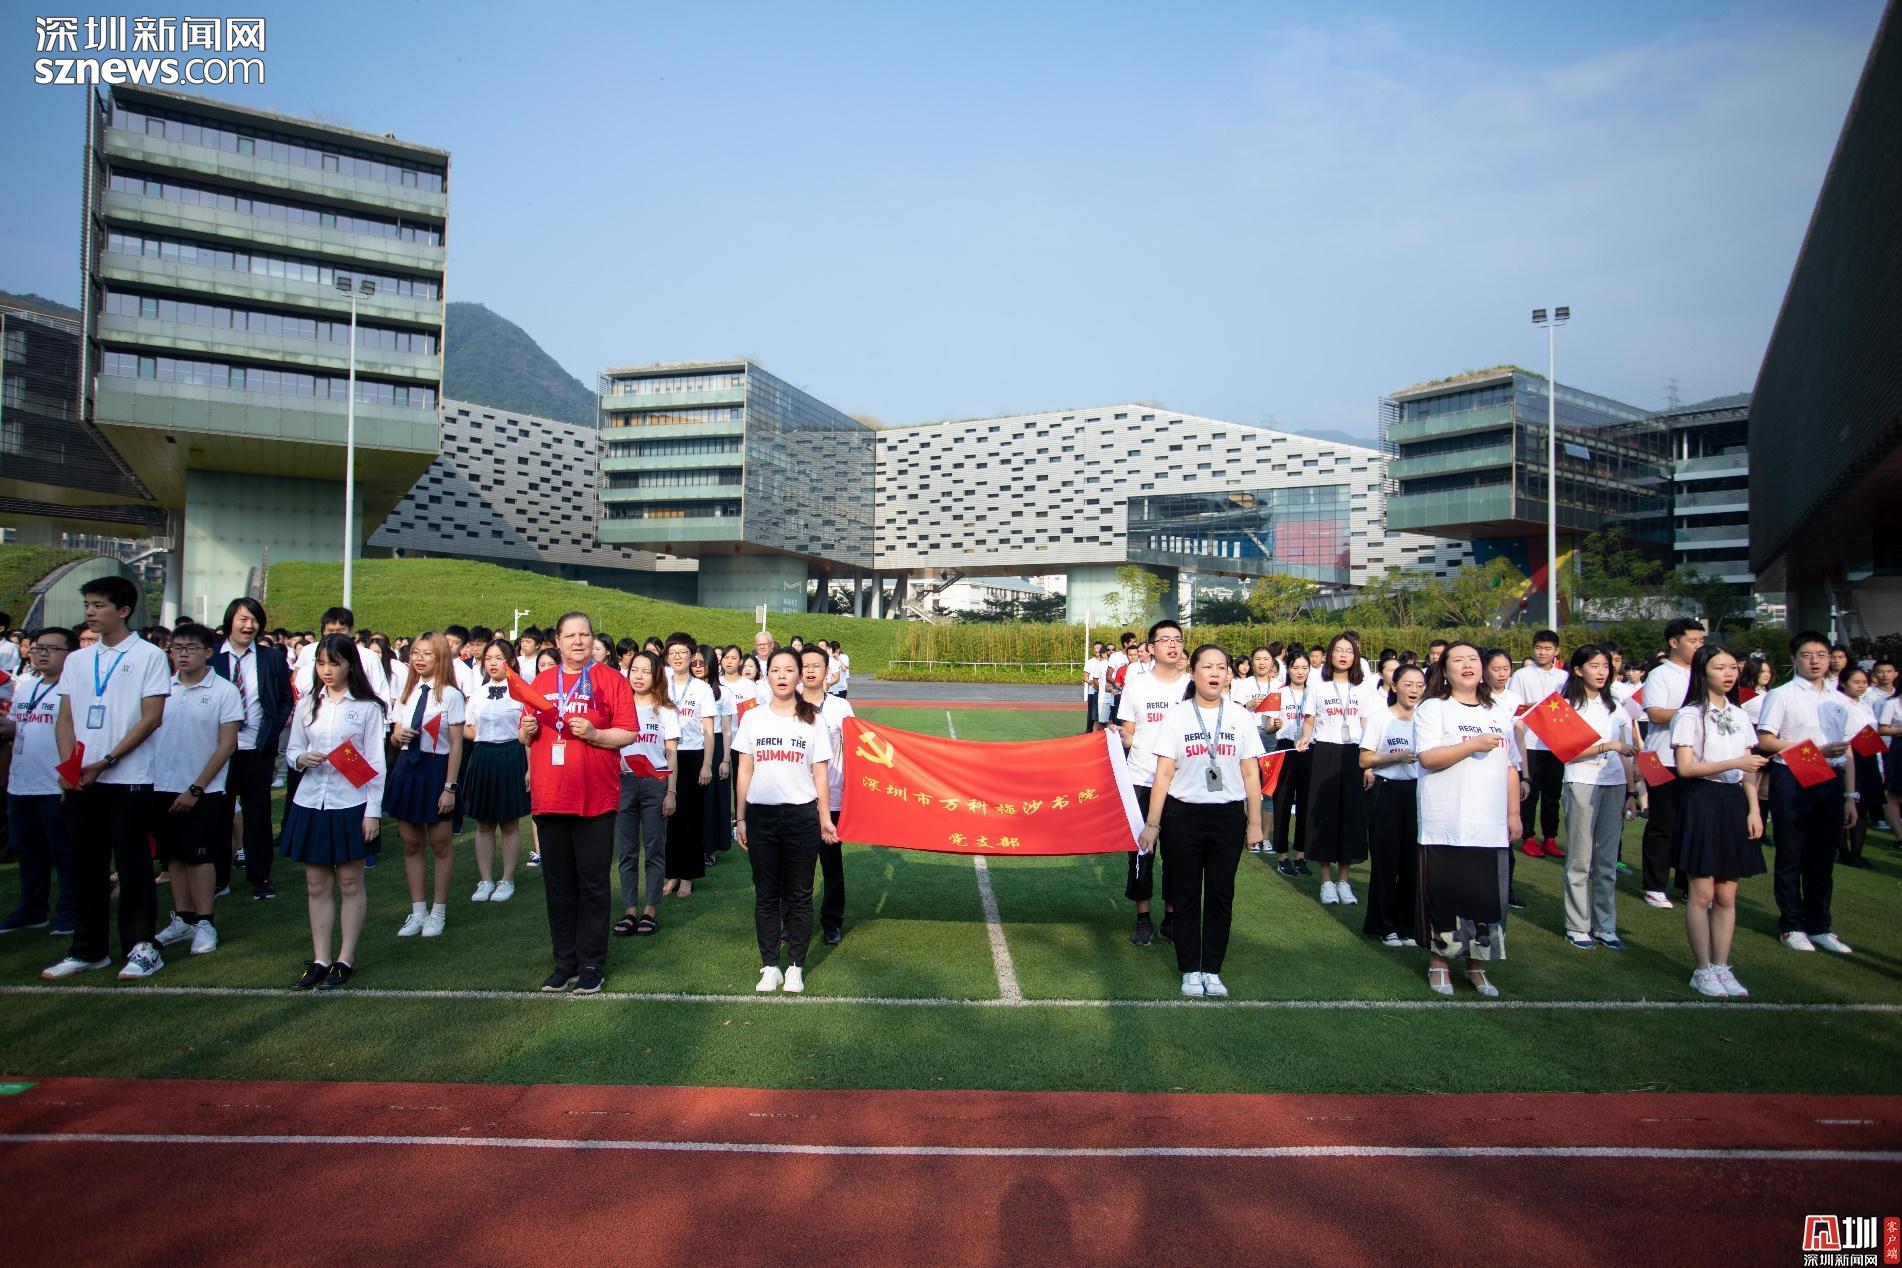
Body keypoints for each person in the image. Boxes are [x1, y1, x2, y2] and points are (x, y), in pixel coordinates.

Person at [43, 576, 172, 983]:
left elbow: (152, 717)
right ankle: (88, 949)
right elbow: (66, 718)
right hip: (83, 781)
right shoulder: (78, 661)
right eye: (88, 605)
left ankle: (141, 946)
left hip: (129, 778)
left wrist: (107, 760)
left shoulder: (149, 655)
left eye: (98, 605)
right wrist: (70, 767)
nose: (90, 612)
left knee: (133, 865)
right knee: (85, 865)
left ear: (123, 610)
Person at [519, 612, 638, 995]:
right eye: (570, 635)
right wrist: (526, 731)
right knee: (558, 886)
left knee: (593, 885)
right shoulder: (541, 681)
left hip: (595, 799)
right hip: (550, 797)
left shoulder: (611, 680)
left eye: (584, 634)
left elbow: (628, 733)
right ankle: (564, 962)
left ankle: (591, 964)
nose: (578, 641)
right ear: (556, 640)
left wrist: (596, 734)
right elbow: (524, 733)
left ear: (592, 639)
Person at [1140, 645, 1265, 998]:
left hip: (1227, 817)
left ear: (1228, 675)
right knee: (1185, 894)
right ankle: (1190, 970)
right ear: (1193, 672)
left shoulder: (1240, 716)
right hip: (1183, 816)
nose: (1214, 673)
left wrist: (1254, 823)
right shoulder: (1177, 716)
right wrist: (1153, 824)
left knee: (1221, 894)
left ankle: (1212, 968)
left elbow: (1251, 773)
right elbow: (1164, 774)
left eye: (1221, 667)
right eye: (1207, 667)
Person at [1413, 642, 1522, 998]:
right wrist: (1472, 744)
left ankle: (1477, 967)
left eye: (1472, 659)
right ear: (1444, 671)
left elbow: (1510, 766)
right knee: (1445, 894)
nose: (1466, 665)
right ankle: (1439, 963)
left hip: (1488, 823)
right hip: (1446, 821)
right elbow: (1428, 758)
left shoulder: (1498, 712)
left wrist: (1513, 813)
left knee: (1485, 897)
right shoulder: (1433, 708)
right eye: (1457, 660)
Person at [280, 633, 387, 990]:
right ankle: (320, 959)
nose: (326, 670)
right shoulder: (308, 703)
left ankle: (345, 959)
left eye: (334, 663)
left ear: (350, 665)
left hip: (350, 803)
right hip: (311, 800)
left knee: (350, 882)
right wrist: (300, 758)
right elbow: (292, 749)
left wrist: (372, 811)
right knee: (316, 884)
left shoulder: (368, 708)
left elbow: (376, 763)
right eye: (321, 663)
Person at [734, 647, 836, 993]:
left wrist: (824, 817)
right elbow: (744, 770)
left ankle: (795, 966)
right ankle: (769, 966)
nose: (782, 676)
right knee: (766, 894)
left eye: (789, 670)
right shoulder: (752, 718)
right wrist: (740, 818)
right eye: (775, 670)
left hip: (801, 816)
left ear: (798, 676)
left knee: (800, 894)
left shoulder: (813, 719)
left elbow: (820, 773)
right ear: (767, 676)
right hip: (760, 816)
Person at [1670, 644, 1768, 998]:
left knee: (1727, 893)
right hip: (1702, 800)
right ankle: (1703, 969)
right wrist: (1735, 764)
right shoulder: (1690, 715)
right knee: (1702, 893)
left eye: (1732, 668)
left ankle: (1722, 966)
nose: (1728, 674)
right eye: (1719, 668)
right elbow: (1685, 768)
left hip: (1733, 802)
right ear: (1702, 672)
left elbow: (1750, 768)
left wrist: (1753, 809)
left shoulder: (1739, 715)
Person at [1755, 630, 1857, 954]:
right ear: (1794, 658)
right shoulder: (1782, 695)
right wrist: (1814, 751)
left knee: (1823, 856)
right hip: (1793, 775)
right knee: (1792, 853)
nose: (1815, 661)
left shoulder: (1839, 700)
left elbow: (1848, 749)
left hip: (1830, 778)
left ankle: (1820, 925)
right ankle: (1792, 924)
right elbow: (1766, 740)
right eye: (1807, 655)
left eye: (1822, 655)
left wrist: (1851, 796)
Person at [149, 623, 244, 958]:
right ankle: (184, 917)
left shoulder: (223, 691)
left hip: (204, 789)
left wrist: (196, 787)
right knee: (174, 856)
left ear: (208, 652)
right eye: (177, 648)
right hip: (162, 784)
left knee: (200, 857)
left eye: (190, 648)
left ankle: (205, 921)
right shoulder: (162, 689)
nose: (183, 654)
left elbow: (227, 745)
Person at [210, 597, 292, 902]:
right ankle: (218, 877)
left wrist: (273, 728)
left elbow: (284, 698)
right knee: (218, 813)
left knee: (258, 814)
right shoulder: (212, 657)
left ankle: (260, 877)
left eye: (254, 620)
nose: (249, 626)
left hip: (257, 747)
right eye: (243, 619)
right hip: (218, 750)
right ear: (230, 621)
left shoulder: (270, 658)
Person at [1557, 645, 1638, 951]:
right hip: (1581, 782)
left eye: (1605, 666)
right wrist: (1608, 747)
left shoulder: (1615, 706)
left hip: (1614, 784)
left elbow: (1627, 752)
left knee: (1606, 861)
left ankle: (1605, 926)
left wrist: (1631, 792)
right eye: (1594, 666)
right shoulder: (1565, 706)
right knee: (1580, 859)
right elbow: (1567, 752)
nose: (1602, 671)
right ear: (1578, 670)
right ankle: (1577, 926)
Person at [385, 632, 465, 938]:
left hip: (436, 769)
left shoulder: (451, 695)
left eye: (427, 653)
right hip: (407, 769)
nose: (419, 659)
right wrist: (397, 736)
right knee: (411, 843)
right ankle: (417, 911)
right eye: (416, 653)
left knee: (440, 843)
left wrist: (449, 787)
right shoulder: (406, 691)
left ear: (440, 657)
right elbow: (395, 736)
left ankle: (438, 911)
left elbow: (456, 745)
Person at [1116, 618, 1191, 946]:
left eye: (1178, 639)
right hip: (1142, 777)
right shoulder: (1136, 686)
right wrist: (1117, 737)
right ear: (1151, 647)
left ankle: (1171, 918)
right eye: (1165, 640)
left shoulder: (1192, 686)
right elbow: (1130, 734)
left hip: (1181, 782)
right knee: (1141, 853)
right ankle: (1143, 918)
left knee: (1178, 854)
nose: (1173, 645)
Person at [2, 626, 75, 935]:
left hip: (53, 783)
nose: (42, 654)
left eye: (52, 649)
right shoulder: (26, 686)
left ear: (70, 655)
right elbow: (17, 726)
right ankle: (32, 910)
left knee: (64, 852)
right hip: (21, 782)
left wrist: (70, 778)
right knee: (27, 850)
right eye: (38, 648)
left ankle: (71, 910)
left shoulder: (73, 690)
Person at [1297, 633, 1378, 906]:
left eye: (1349, 651)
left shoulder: (1363, 688)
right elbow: (1310, 720)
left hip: (1354, 753)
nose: (1343, 655)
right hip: (1325, 752)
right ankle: (1326, 882)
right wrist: (1304, 737)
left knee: (1351, 816)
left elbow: (1367, 725)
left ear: (1355, 656)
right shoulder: (1317, 686)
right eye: (1339, 650)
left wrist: (1368, 765)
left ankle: (1344, 881)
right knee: (1324, 815)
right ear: (1330, 654)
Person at [1639, 619, 1707, 908]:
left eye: (1701, 641)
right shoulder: (1660, 674)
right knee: (1662, 822)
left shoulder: (1704, 673)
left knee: (1692, 824)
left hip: (1696, 760)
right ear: (1674, 642)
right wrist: (1692, 712)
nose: (1698, 646)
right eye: (1693, 640)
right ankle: (1654, 885)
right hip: (1661, 758)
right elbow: (1655, 714)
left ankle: (1688, 883)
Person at [613, 650, 678, 938]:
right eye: (634, 670)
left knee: (654, 848)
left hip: (655, 783)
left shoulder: (665, 710)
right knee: (626, 851)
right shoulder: (618, 708)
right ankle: (629, 910)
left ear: (656, 676)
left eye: (646, 671)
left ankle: (650, 910)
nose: (638, 676)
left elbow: (671, 753)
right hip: (624, 783)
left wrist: (671, 792)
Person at [1359, 664, 1424, 948]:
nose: (1414, 690)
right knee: (1386, 862)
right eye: (1408, 684)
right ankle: (1384, 926)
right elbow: (1364, 759)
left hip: (1418, 794)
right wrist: (1395, 757)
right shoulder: (1380, 718)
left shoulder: (1426, 719)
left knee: (1412, 862)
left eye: (1419, 685)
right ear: (1395, 686)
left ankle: (1406, 925)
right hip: (1386, 791)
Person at [461, 637, 529, 903]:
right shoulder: (478, 694)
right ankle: (486, 879)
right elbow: (468, 728)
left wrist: (529, 768)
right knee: (483, 822)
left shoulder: (521, 692)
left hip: (511, 755)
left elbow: (527, 732)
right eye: (488, 658)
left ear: (510, 661)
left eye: (499, 658)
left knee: (509, 821)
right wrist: (476, 733)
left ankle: (507, 879)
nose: (493, 663)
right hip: (483, 756)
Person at [800, 642, 855, 945]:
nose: (810, 671)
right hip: (796, 798)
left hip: (831, 798)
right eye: (805, 666)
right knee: (796, 866)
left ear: (827, 671)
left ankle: (832, 921)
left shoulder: (840, 707)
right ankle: (794, 921)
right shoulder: (787, 704)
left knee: (831, 865)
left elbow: (854, 749)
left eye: (816, 666)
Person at [660, 633, 715, 897]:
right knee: (668, 818)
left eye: (683, 652)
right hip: (664, 755)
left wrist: (707, 765)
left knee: (690, 818)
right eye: (673, 652)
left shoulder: (702, 689)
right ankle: (671, 873)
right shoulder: (661, 684)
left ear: (692, 655)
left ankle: (688, 876)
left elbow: (708, 731)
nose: (678, 657)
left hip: (693, 757)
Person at [1508, 630, 1569, 858]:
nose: (1542, 652)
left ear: (1556, 651)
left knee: (1552, 794)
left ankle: (1550, 837)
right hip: (1530, 742)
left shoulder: (1564, 677)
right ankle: (1529, 836)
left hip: (1555, 743)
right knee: (1530, 793)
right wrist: (1537, 706)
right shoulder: (1522, 675)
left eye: (1547, 648)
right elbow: (1514, 707)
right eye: (1538, 648)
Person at [1271, 649, 1314, 877]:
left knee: (1306, 803)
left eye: (1304, 668)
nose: (1300, 672)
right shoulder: (1279, 693)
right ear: (1288, 669)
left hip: (1308, 750)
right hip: (1286, 749)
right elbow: (1268, 726)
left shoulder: (1314, 693)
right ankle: (1282, 856)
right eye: (1295, 667)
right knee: (1283, 803)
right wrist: (1274, 725)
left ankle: (1300, 856)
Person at [1833, 666, 1881, 869]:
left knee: (1864, 806)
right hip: (1847, 756)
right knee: (1846, 803)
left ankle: (1857, 853)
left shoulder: (1865, 705)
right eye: (1856, 682)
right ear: (1844, 683)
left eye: (1864, 682)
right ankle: (1843, 852)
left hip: (1867, 757)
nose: (1861, 686)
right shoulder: (1838, 704)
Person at [695, 643, 734, 867]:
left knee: (712, 800)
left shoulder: (723, 693)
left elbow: (727, 729)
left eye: (702, 662)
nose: (697, 666)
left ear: (711, 664)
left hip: (716, 745)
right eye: (694, 662)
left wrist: (725, 760)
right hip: (691, 746)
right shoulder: (684, 689)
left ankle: (710, 849)